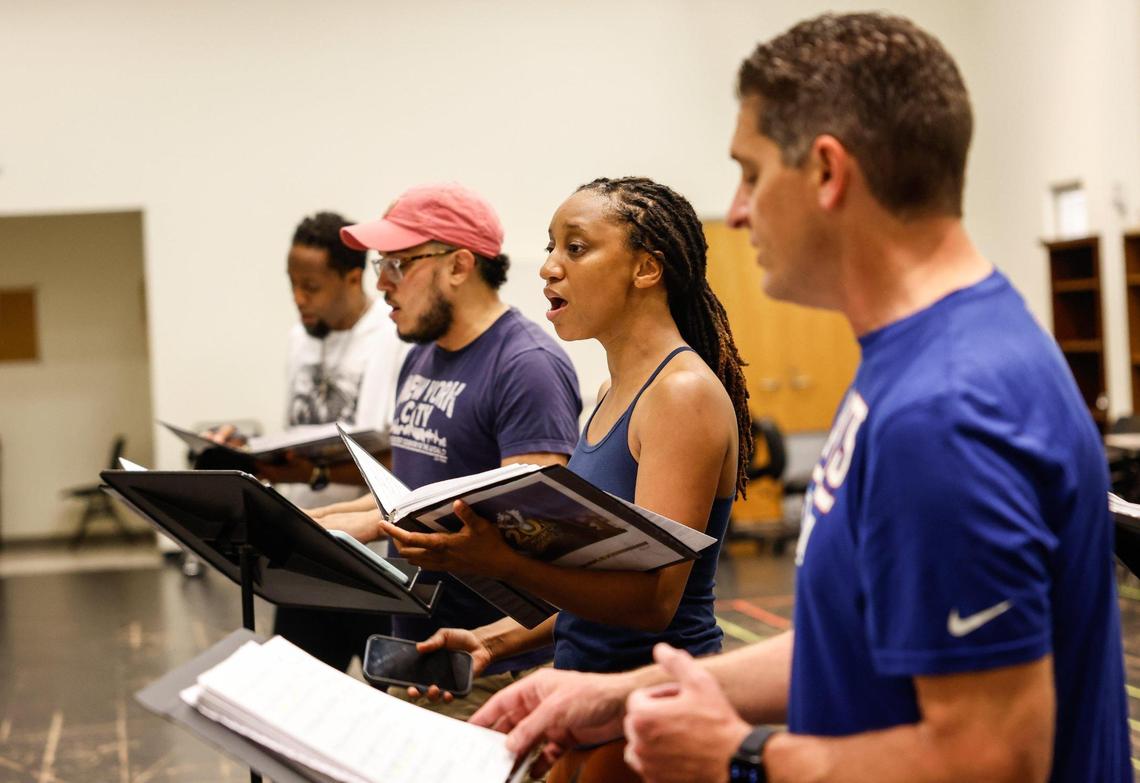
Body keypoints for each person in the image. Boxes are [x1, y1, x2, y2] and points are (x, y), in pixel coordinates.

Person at [470, 13, 1130, 783]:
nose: (739, 209)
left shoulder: (946, 406)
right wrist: (622, 693)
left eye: (751, 173)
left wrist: (739, 753)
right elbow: (847, 632)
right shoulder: (925, 355)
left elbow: (992, 758)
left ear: (827, 172)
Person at [380, 177, 752, 779]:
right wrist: (494, 643)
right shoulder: (611, 391)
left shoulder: (681, 395)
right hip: (586, 696)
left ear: (646, 269)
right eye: (550, 247)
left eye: (575, 249)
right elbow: (596, 586)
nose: (549, 268)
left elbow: (653, 602)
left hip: (646, 713)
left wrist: (499, 560)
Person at [314, 182, 583, 717]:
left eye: (399, 264)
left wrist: (372, 526)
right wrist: (312, 522)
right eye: (379, 267)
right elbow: (412, 493)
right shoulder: (423, 357)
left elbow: (530, 524)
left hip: (490, 666)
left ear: (459, 266)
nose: (384, 285)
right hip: (416, 650)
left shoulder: (525, 365)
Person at [207, 211, 407, 671]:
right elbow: (299, 427)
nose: (299, 299)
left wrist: (311, 471)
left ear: (353, 278)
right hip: (301, 550)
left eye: (311, 287)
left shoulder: (392, 337)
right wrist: (250, 451)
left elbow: (390, 457)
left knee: (392, 701)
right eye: (292, 284)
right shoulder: (301, 337)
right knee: (295, 694)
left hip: (367, 560)